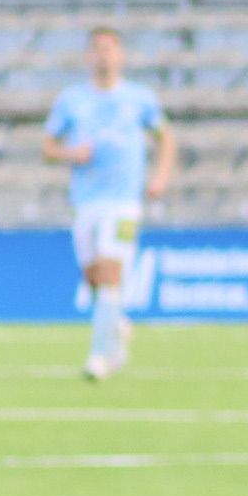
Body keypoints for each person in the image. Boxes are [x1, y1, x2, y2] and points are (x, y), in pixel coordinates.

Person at [41, 25, 174, 383]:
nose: (103, 55)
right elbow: (48, 146)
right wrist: (71, 152)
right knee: (94, 277)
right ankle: (117, 323)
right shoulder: (71, 100)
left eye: (110, 48)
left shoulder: (139, 98)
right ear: (87, 56)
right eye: (97, 48)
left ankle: (102, 355)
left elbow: (165, 138)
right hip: (85, 201)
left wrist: (160, 176)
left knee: (111, 271)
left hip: (123, 201)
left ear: (121, 55)